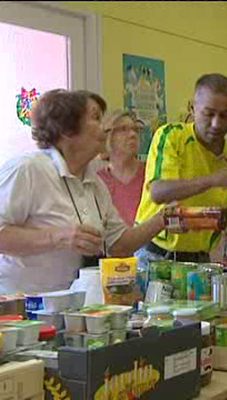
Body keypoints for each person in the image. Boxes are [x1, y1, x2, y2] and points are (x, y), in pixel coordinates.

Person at [0, 89, 167, 294]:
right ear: (67, 130)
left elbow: (119, 245)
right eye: (96, 118)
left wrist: (163, 220)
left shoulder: (95, 184)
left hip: (73, 311)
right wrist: (58, 237)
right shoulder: (27, 169)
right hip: (20, 312)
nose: (105, 128)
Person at [134, 73, 227, 266]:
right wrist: (214, 179)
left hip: (200, 261)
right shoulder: (171, 136)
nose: (217, 124)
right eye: (209, 113)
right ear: (192, 108)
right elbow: (158, 192)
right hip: (155, 256)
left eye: (225, 115)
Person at [97, 110, 145, 227]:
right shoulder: (98, 181)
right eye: (123, 129)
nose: (132, 135)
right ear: (108, 135)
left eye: (135, 129)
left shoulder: (151, 173)